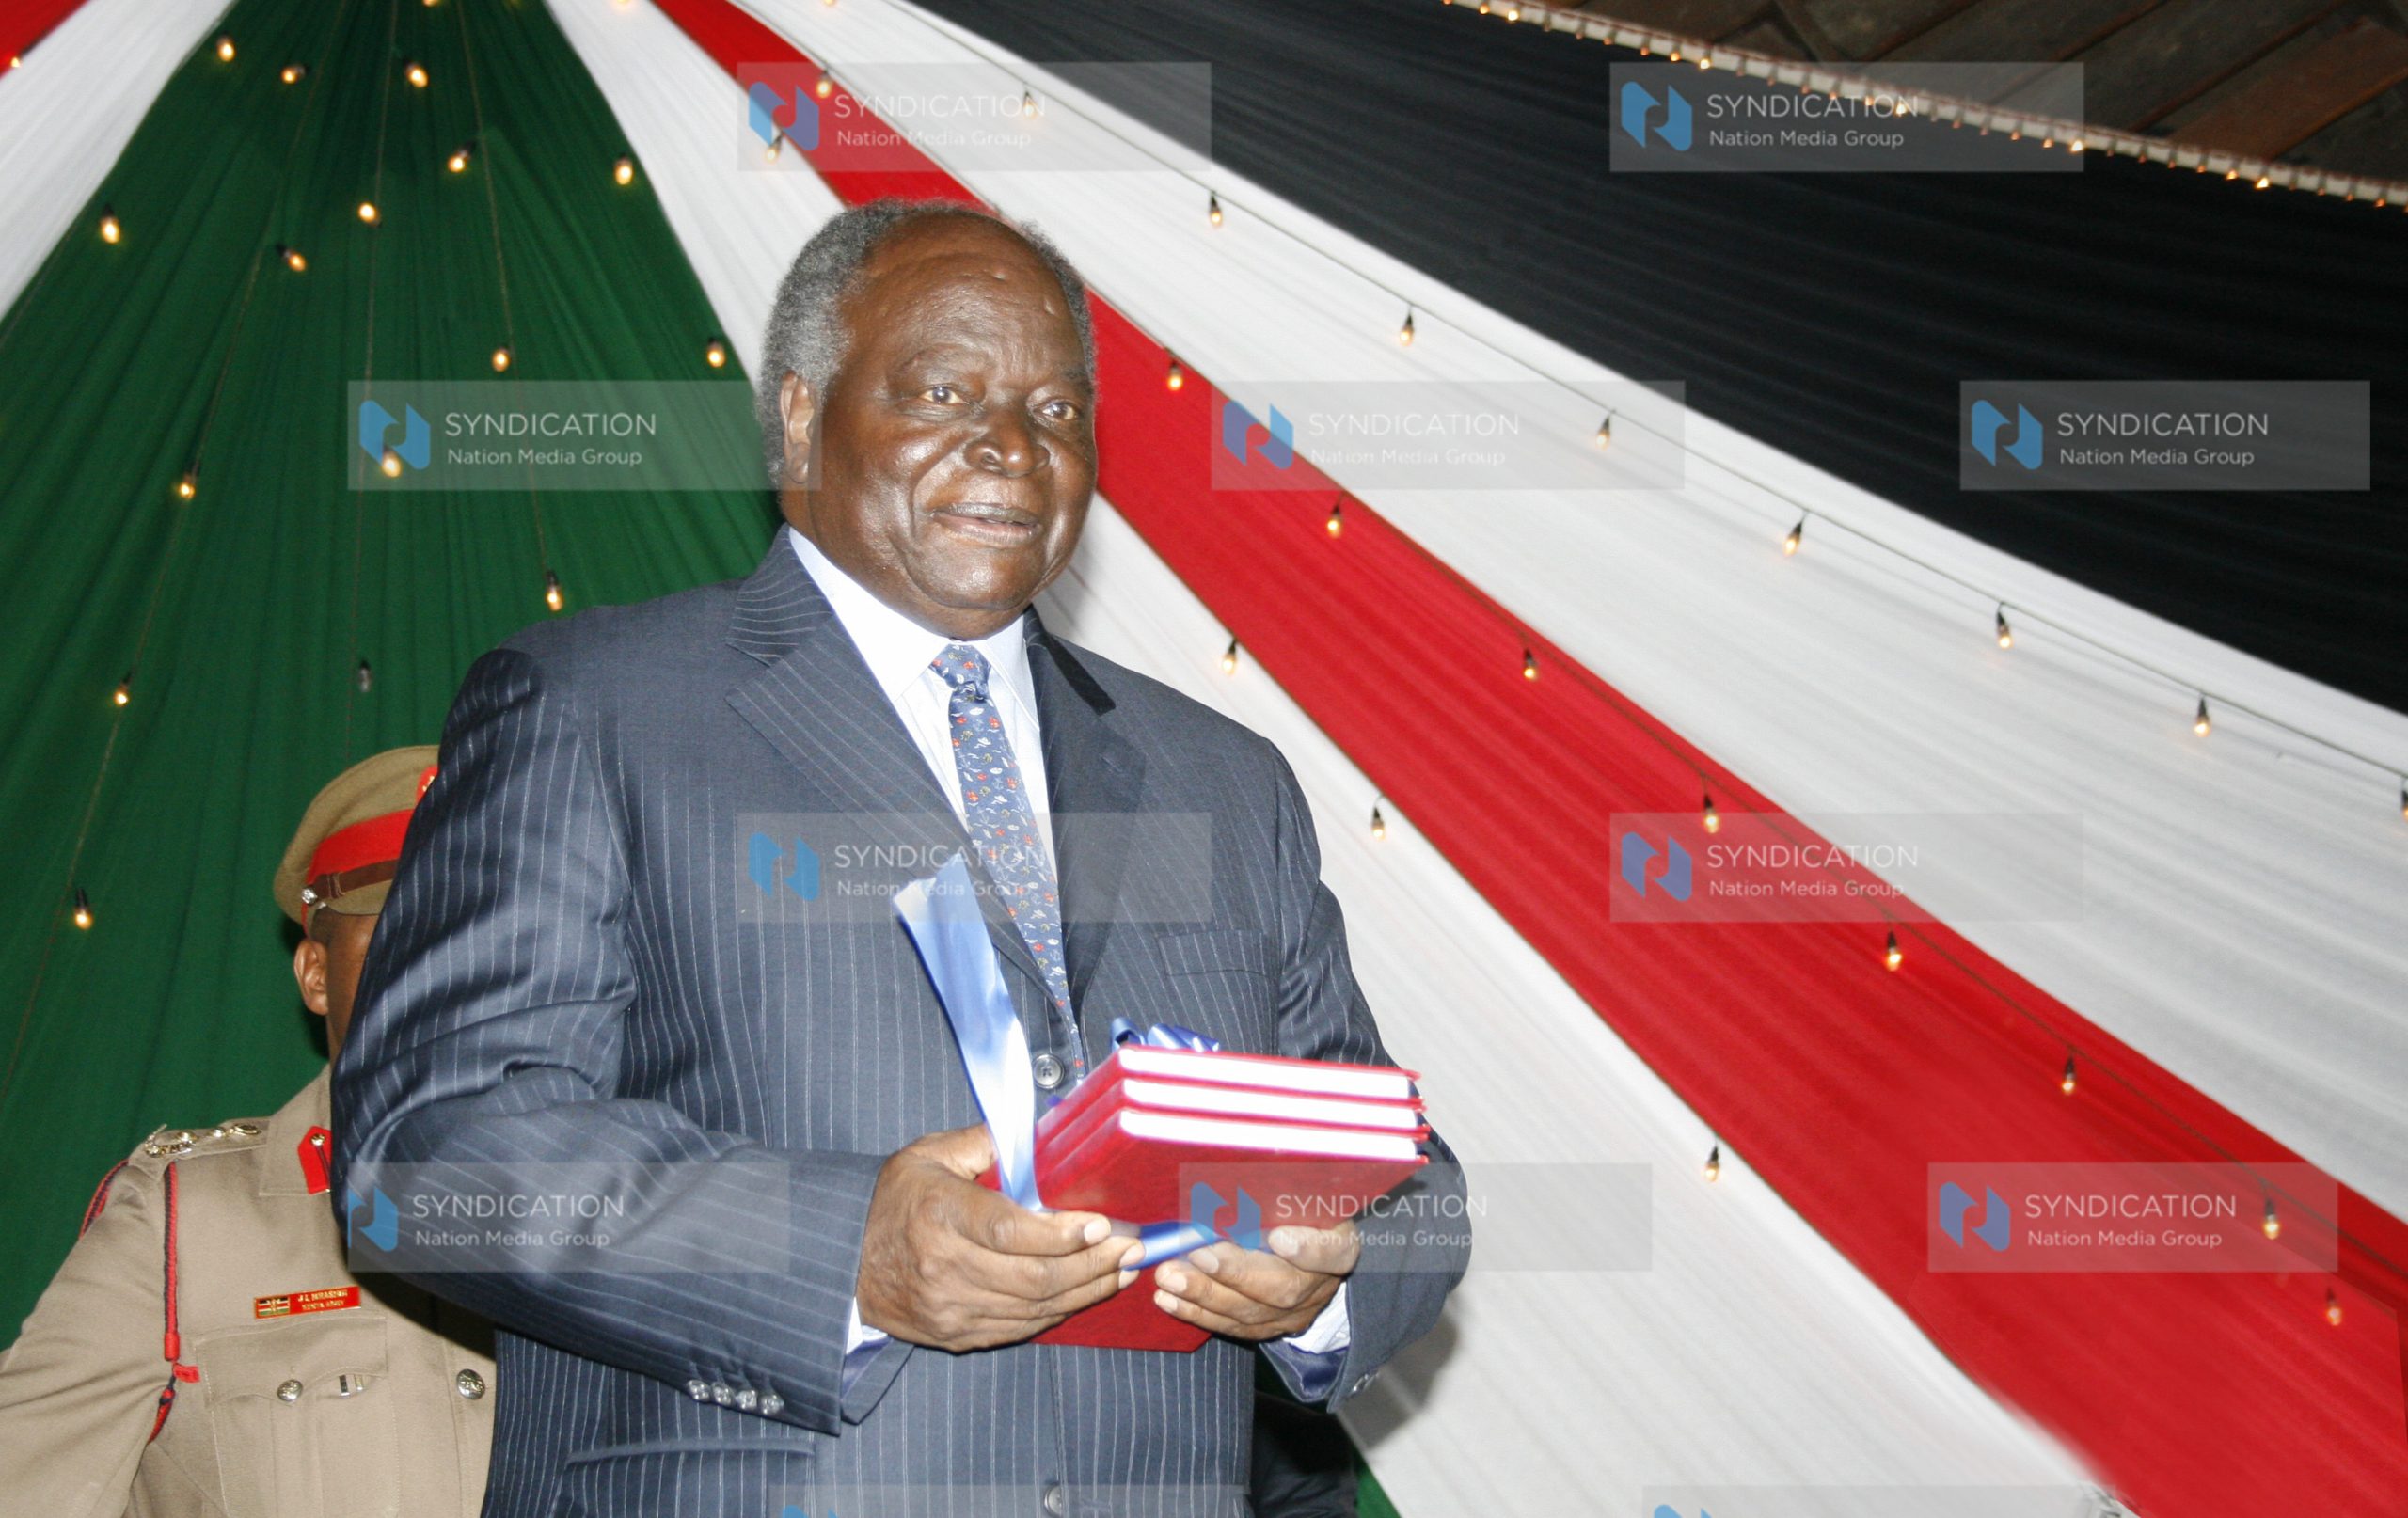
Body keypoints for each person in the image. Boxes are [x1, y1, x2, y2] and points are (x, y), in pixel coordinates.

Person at [331, 198, 1469, 1518]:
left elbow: (1409, 1184)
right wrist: (841, 1253)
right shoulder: (593, 705)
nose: (1010, 446)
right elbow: (423, 1155)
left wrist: (1326, 1279)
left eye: (1056, 412)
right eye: (943, 389)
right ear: (803, 419)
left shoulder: (1224, 779)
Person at [0, 746, 496, 1518]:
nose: (441, 962)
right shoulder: (184, 1228)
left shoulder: (619, 1211)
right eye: (398, 927)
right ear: (317, 975)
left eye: (477, 924)